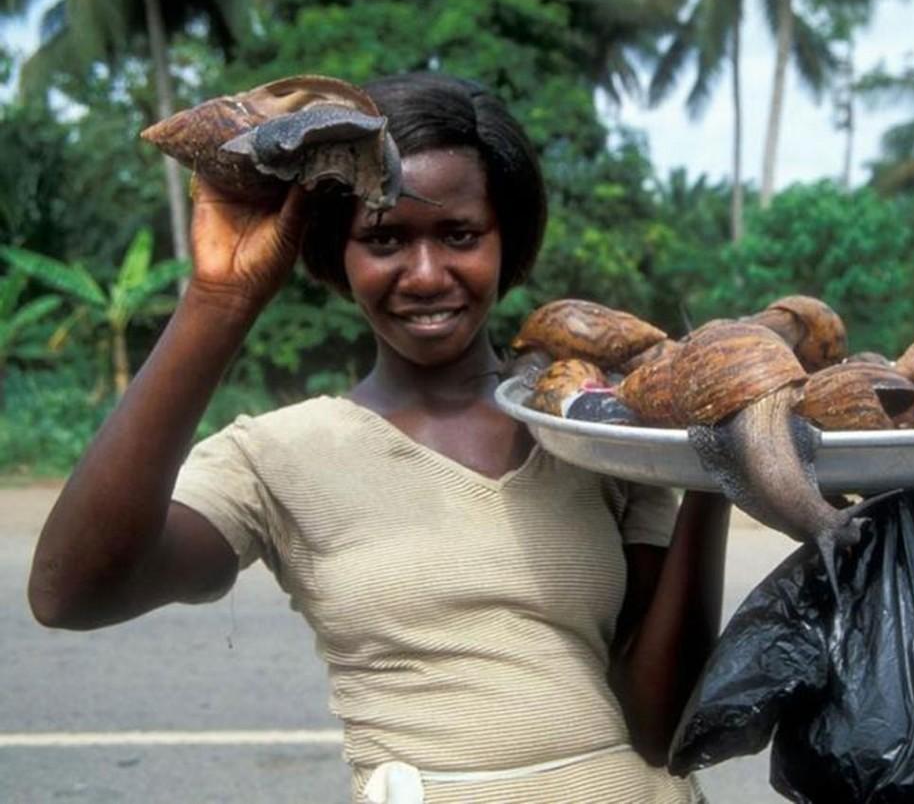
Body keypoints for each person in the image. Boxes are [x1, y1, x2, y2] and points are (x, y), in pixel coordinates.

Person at [27, 72, 731, 803]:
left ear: (507, 242)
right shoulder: (276, 458)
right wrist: (219, 300)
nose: (425, 275)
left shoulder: (590, 427)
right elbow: (70, 592)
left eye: (460, 235)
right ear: (339, 253)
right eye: (384, 237)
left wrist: (714, 468)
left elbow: (662, 725)